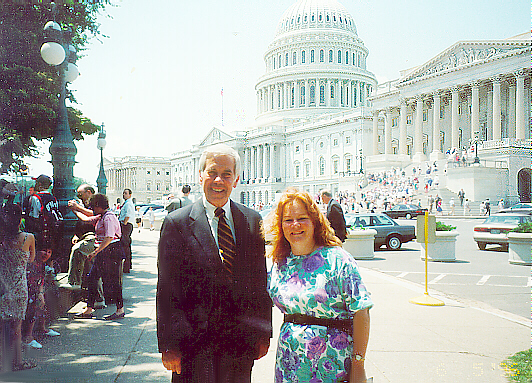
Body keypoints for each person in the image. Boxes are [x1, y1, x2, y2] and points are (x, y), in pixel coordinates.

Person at [157, 143, 272, 383]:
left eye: (226, 174)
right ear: (201, 176)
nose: (218, 180)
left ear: (236, 180)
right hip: (193, 345)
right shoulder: (176, 223)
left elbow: (259, 282)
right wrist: (168, 344)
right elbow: (167, 288)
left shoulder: (252, 221)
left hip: (239, 344)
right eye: (212, 172)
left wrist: (263, 333)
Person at [267, 188, 373, 383]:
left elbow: (362, 311)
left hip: (331, 366)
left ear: (315, 221)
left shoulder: (338, 260)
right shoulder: (280, 263)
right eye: (288, 220)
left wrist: (359, 365)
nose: (295, 225)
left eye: (302, 218)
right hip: (289, 365)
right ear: (281, 226)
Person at [22, 175, 62, 349]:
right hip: (50, 248)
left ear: (38, 184)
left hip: (38, 247)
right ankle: (42, 328)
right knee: (42, 290)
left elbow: (33, 221)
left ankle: (35, 332)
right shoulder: (53, 199)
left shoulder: (35, 199)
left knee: (37, 291)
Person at [71, 194, 125, 320]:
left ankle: (119, 309)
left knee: (113, 281)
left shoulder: (108, 218)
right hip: (105, 251)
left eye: (93, 207)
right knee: (93, 278)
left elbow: (109, 237)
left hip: (111, 251)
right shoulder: (102, 216)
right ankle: (89, 309)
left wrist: (95, 252)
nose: (92, 209)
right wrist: (74, 210)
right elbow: (86, 219)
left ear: (98, 206)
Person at [0, 204, 37, 372]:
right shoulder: (28, 238)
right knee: (16, 327)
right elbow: (31, 259)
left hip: (2, 286)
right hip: (19, 286)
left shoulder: (2, 238)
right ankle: (18, 362)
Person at [65, 184, 96, 289]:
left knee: (77, 250)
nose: (79, 196)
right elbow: (81, 221)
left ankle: (74, 282)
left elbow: (93, 215)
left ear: (89, 192)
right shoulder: (84, 204)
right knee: (88, 267)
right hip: (83, 236)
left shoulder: (96, 202)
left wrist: (77, 208)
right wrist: (76, 234)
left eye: (80, 193)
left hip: (93, 237)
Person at [119, 189, 135, 273]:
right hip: (126, 225)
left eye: (126, 193)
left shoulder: (128, 204)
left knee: (125, 245)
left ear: (130, 195)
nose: (124, 195)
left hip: (126, 225)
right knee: (126, 245)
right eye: (123, 193)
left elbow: (128, 215)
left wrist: (124, 223)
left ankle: (126, 266)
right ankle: (127, 265)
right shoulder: (126, 203)